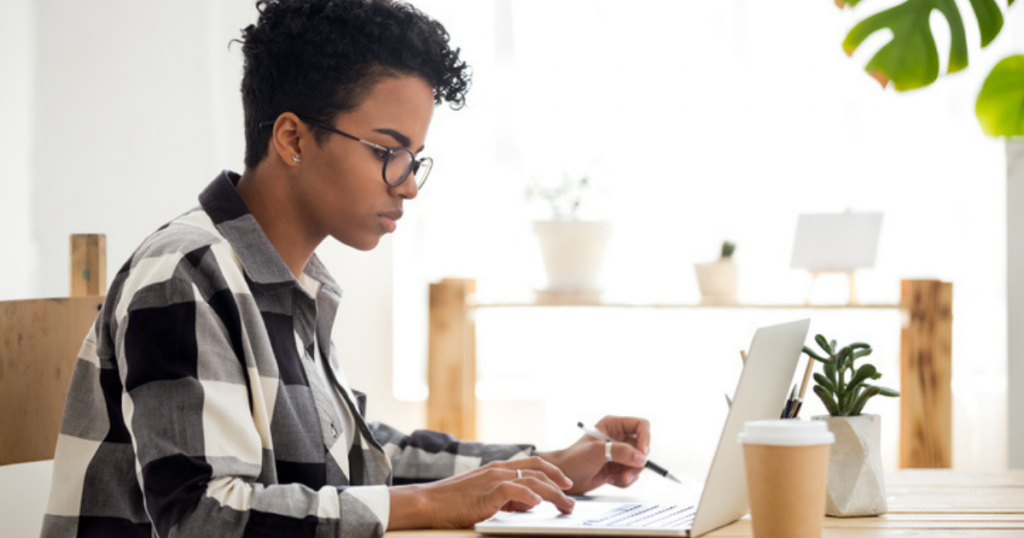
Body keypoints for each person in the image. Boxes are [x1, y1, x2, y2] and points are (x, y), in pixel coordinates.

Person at [41, 1, 653, 537]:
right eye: (389, 152)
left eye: (415, 158)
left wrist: (539, 464)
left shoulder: (289, 282)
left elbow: (360, 457)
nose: (409, 185)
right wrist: (429, 504)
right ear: (293, 139)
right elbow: (204, 518)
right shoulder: (183, 274)